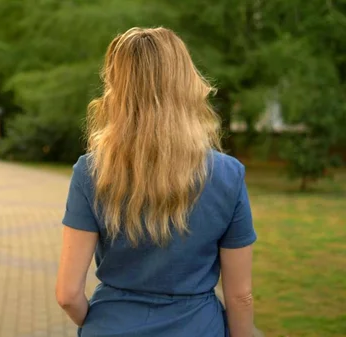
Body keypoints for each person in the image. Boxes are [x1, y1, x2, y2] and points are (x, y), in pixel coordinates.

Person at [56, 27, 256, 337]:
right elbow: (240, 296)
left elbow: (68, 294)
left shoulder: (91, 171)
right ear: (186, 83)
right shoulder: (228, 174)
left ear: (116, 89)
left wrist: (101, 322)